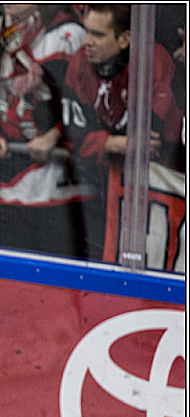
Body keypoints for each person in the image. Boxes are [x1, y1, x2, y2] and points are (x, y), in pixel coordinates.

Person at [61, 4, 182, 261]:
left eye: (98, 34)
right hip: (102, 191)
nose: (87, 42)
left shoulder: (152, 60)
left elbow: (150, 141)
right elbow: (73, 135)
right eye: (87, 31)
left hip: (160, 190)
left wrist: (102, 142)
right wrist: (114, 143)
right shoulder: (80, 62)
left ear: (125, 38)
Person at [0, 4, 88, 255]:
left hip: (64, 193)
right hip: (12, 189)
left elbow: (88, 107)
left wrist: (57, 135)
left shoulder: (70, 34)